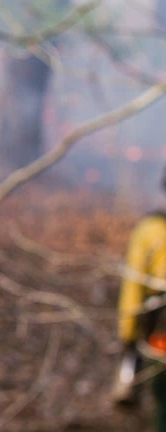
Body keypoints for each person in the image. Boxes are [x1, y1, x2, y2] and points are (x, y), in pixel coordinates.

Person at [114, 170, 166, 428]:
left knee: (163, 399)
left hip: (161, 333)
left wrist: (128, 335)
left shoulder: (151, 230)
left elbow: (133, 290)